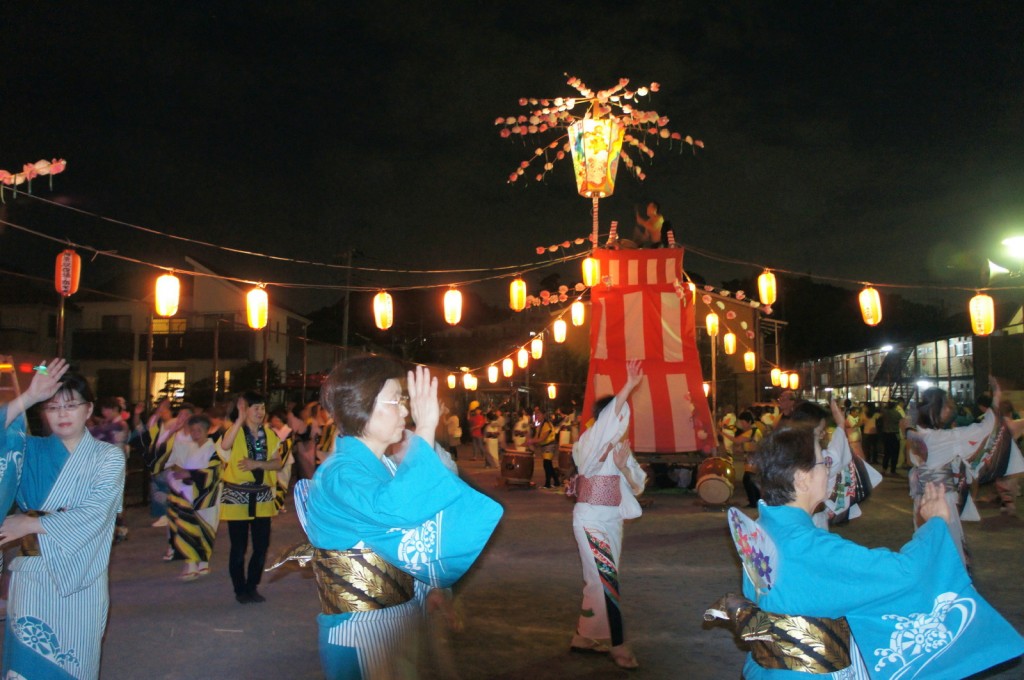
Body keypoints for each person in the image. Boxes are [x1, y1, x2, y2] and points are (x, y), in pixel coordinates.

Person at [710, 426, 1024, 679]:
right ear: (802, 478)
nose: (829, 470)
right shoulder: (811, 548)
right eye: (824, 462)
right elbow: (907, 573)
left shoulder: (762, 526)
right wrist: (934, 526)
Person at [304, 358, 503, 679]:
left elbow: (416, 529)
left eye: (403, 401)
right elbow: (397, 511)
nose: (405, 410)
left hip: (396, 622)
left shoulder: (384, 467)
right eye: (395, 401)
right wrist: (424, 430)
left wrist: (432, 587)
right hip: (360, 631)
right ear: (361, 407)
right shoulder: (338, 474)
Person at [0, 359, 126, 679]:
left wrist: (29, 523)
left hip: (83, 577)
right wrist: (28, 397)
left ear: (88, 410)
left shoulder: (108, 457)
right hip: (32, 576)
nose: (62, 414)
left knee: (75, 661)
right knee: (28, 664)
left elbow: (97, 512)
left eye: (71, 405)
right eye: (53, 407)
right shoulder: (28, 449)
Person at [569, 359, 647, 670]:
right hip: (590, 519)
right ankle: (618, 645)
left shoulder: (616, 447)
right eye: (618, 415)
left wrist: (625, 465)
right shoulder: (588, 442)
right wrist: (628, 386)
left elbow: (638, 486)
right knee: (606, 579)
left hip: (611, 519)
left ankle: (584, 636)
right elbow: (606, 424)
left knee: (596, 580)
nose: (622, 421)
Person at [906, 384, 1023, 566]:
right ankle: (950, 579)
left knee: (927, 544)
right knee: (948, 544)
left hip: (921, 500)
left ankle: (931, 578)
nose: (950, 410)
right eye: (946, 406)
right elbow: (985, 428)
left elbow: (910, 442)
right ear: (936, 410)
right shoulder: (943, 439)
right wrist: (995, 401)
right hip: (941, 499)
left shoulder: (916, 434)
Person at [217, 392, 284, 603]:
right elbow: (225, 446)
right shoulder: (235, 432)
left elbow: (278, 463)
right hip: (237, 496)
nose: (260, 412)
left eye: (262, 408)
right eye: (255, 408)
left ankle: (252, 586)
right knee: (238, 547)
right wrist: (238, 420)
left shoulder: (269, 435)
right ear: (245, 411)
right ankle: (240, 589)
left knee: (261, 546)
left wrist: (257, 464)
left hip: (261, 496)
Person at [166, 413, 222, 580]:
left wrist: (189, 473)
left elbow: (215, 471)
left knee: (206, 528)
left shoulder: (215, 449)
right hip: (187, 494)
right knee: (187, 528)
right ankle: (190, 564)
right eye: (192, 430)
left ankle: (203, 562)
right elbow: (169, 456)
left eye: (199, 430)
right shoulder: (187, 447)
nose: (195, 434)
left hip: (207, 495)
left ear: (208, 430)